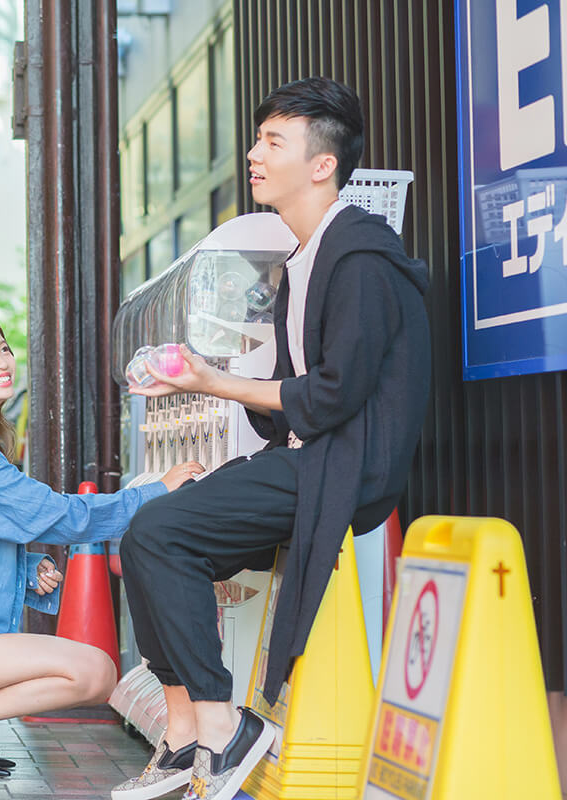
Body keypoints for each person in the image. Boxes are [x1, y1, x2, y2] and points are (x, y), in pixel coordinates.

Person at [111, 77, 431, 800]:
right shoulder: (305, 258)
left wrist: (212, 382)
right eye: (258, 138)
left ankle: (229, 731)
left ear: (323, 164)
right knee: (145, 535)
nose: (254, 154)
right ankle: (186, 729)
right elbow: (290, 407)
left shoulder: (359, 257)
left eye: (273, 141)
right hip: (306, 458)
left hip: (344, 471)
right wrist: (200, 381)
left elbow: (333, 397)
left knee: (164, 534)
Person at [0, 312, 205, 778]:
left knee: (95, 670)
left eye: (3, 348)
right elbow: (60, 515)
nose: (2, 360)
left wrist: (27, 566)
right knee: (95, 671)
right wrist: (155, 491)